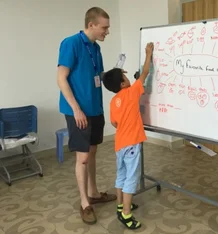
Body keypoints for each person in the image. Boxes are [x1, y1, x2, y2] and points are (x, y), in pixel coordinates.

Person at [56, 7, 117, 225]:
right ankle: (85, 203)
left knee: (91, 153)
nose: (107, 31)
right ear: (91, 25)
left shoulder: (96, 48)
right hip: (78, 111)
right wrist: (76, 109)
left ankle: (94, 192)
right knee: (82, 158)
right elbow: (61, 78)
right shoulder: (71, 43)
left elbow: (97, 75)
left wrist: (114, 75)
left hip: (94, 109)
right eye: (104, 27)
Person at [102, 42, 154, 230]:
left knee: (121, 175)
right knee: (132, 177)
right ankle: (126, 214)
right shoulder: (131, 92)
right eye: (125, 75)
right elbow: (145, 73)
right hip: (132, 144)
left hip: (120, 144)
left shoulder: (114, 100)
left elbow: (114, 123)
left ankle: (120, 203)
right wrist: (148, 54)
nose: (127, 77)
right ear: (123, 83)